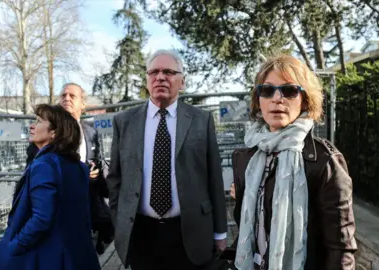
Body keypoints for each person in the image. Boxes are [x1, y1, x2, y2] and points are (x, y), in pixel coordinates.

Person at [230, 55, 357, 270]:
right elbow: (248, 223)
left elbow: (341, 247)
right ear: (258, 100)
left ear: (305, 99)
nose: (277, 98)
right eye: (267, 90)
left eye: (289, 90)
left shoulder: (324, 161)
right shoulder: (246, 158)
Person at [106, 49, 228, 270]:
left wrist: (220, 231)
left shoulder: (201, 120)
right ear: (147, 80)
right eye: (154, 72)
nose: (160, 77)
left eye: (169, 72)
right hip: (141, 234)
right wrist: (120, 221)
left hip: (190, 232)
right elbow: (115, 179)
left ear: (182, 82)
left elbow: (214, 179)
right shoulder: (124, 122)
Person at [0, 104, 100, 270]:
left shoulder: (45, 164)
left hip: (47, 257)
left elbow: (41, 218)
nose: (32, 125)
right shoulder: (77, 166)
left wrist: (12, 247)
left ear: (54, 133)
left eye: (40, 121)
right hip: (76, 255)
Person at [26, 83, 113, 254]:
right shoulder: (44, 131)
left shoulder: (91, 132)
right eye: (63, 95)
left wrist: (95, 175)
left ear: (83, 104)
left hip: (88, 214)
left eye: (72, 96)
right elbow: (33, 172)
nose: (66, 98)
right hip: (56, 217)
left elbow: (97, 164)